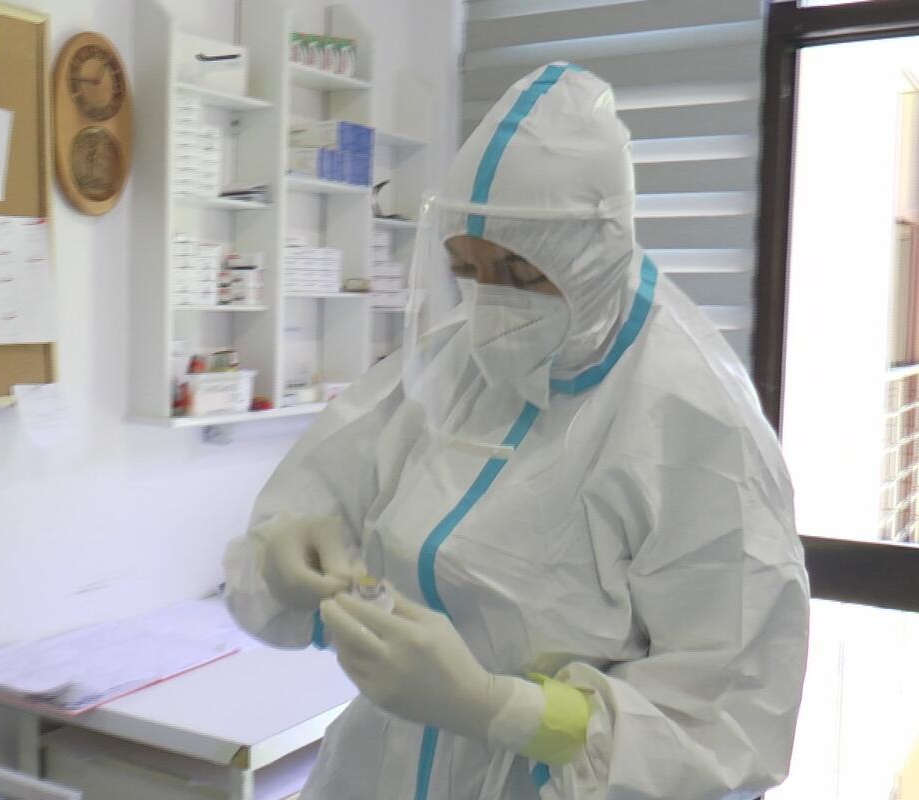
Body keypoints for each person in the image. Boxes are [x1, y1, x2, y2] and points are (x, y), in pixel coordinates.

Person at [223, 63, 809, 800]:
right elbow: (309, 515)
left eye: (519, 272)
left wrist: (503, 710)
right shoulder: (452, 361)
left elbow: (728, 728)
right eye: (468, 268)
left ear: (593, 253)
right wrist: (288, 562)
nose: (492, 305)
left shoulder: (697, 422)